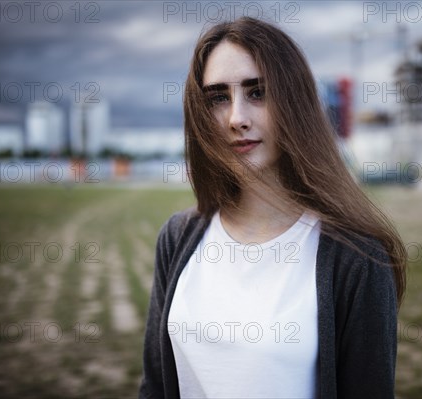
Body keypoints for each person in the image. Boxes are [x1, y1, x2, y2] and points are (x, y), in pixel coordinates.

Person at [139, 17, 406, 399]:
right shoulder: (178, 237)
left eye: (258, 92)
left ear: (294, 101)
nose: (236, 119)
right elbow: (155, 386)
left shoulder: (357, 257)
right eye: (218, 98)